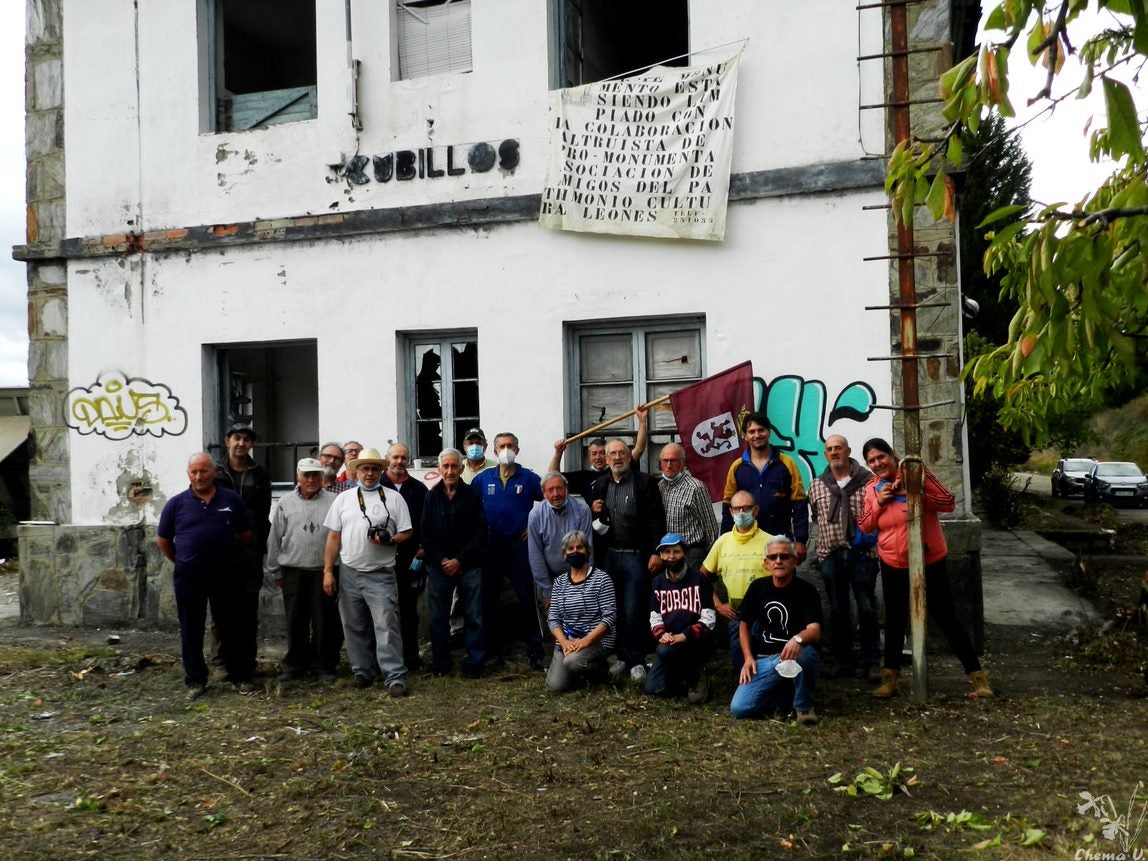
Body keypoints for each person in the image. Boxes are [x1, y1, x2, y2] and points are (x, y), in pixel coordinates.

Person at [857, 438, 992, 699]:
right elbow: (863, 525)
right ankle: (890, 679)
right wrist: (879, 504)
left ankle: (977, 677)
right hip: (892, 561)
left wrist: (913, 492)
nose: (877, 464)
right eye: (871, 461)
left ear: (892, 455)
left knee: (945, 617)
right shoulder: (872, 487)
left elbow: (947, 501)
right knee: (895, 619)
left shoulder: (917, 474)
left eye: (880, 457)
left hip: (928, 559)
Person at [157, 452, 253, 698]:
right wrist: (183, 560)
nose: (199, 476)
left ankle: (239, 676)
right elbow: (164, 539)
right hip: (190, 575)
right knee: (191, 628)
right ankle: (196, 680)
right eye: (194, 472)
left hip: (226, 573)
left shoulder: (232, 499)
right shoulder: (176, 504)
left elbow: (245, 535)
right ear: (188, 474)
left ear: (214, 472)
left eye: (203, 471)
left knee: (231, 626)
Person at [322, 448, 414, 697]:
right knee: (354, 625)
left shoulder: (394, 498)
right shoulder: (343, 499)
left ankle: (395, 676)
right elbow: (333, 536)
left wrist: (390, 539)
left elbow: (407, 532)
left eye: (374, 468)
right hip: (350, 571)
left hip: (381, 572)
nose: (369, 473)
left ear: (380, 471)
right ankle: (362, 670)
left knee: (386, 625)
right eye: (365, 468)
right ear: (356, 471)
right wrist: (328, 571)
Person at [590, 438, 666, 682]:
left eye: (621, 453)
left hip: (636, 555)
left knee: (634, 609)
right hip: (610, 555)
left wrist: (656, 551)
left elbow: (656, 518)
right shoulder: (600, 484)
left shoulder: (644, 482)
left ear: (629, 456)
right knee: (614, 609)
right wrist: (595, 510)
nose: (616, 458)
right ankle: (620, 657)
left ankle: (636, 660)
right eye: (612, 454)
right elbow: (596, 524)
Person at [807, 434, 880, 681]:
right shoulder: (817, 484)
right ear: (825, 454)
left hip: (862, 554)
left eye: (839, 448)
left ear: (848, 451)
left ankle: (872, 662)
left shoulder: (868, 481)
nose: (834, 452)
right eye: (830, 449)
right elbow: (817, 517)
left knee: (867, 608)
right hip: (831, 555)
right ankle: (844, 662)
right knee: (838, 610)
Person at [730, 536, 823, 725]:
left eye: (784, 556)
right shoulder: (758, 587)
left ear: (794, 561)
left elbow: (815, 630)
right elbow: (743, 625)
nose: (778, 561)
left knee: (806, 654)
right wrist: (748, 658)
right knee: (739, 708)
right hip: (765, 659)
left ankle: (803, 708)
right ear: (766, 563)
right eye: (773, 557)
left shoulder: (807, 591)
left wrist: (797, 639)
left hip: (793, 656)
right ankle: (783, 697)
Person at [471, 432, 545, 668]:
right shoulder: (483, 479)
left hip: (518, 547)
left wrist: (533, 529)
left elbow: (552, 501)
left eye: (510, 446)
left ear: (517, 450)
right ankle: (492, 651)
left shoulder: (529, 478)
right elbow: (469, 507)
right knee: (488, 600)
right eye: (502, 446)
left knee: (526, 599)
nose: (506, 450)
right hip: (491, 547)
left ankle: (535, 651)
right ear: (494, 452)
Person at [265, 457, 340, 682]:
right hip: (293, 571)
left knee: (323, 621)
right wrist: (275, 570)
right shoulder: (285, 503)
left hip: (323, 571)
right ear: (298, 476)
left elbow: (340, 536)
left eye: (315, 475)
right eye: (306, 475)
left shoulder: (335, 501)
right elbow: (274, 538)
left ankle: (322, 666)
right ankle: (295, 665)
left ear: (322, 477)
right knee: (295, 620)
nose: (311, 479)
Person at [420, 448, 488, 677]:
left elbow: (480, 532)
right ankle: (441, 663)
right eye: (445, 466)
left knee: (474, 617)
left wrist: (459, 560)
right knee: (438, 618)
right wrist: (442, 560)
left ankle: (475, 663)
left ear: (461, 469)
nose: (450, 471)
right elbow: (425, 534)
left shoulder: (472, 495)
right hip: (439, 567)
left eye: (454, 466)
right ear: (439, 469)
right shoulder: (431, 497)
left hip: (469, 565)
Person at [214, 422, 272, 684]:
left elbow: (263, 514)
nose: (241, 443)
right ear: (228, 441)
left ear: (251, 445)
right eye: (236, 438)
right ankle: (221, 662)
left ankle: (247, 663)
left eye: (246, 440)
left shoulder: (260, 475)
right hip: (221, 550)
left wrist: (260, 546)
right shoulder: (214, 473)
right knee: (219, 608)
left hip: (250, 552)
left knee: (248, 609)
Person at [720, 412, 809, 563]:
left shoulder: (787, 464)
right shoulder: (737, 467)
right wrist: (725, 540)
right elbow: (728, 506)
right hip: (746, 542)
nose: (757, 435)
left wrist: (800, 540)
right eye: (751, 432)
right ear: (746, 436)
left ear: (769, 432)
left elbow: (799, 504)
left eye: (761, 430)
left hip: (780, 540)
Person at [701, 490, 773, 672]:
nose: (741, 513)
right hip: (737, 615)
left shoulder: (771, 542)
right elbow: (701, 578)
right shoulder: (723, 542)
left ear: (755, 510)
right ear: (731, 512)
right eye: (736, 509)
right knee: (741, 664)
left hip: (766, 614)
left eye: (746, 508)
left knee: (768, 662)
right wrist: (717, 604)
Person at [645, 533, 716, 703]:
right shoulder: (657, 582)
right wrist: (662, 635)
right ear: (661, 556)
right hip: (669, 641)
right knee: (652, 689)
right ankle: (678, 675)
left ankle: (696, 676)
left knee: (664, 651)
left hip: (695, 642)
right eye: (667, 552)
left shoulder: (699, 579)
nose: (671, 556)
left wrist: (684, 636)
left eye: (676, 552)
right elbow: (654, 617)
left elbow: (709, 619)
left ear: (685, 553)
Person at [545, 530, 617, 693]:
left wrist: (585, 641)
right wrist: (564, 641)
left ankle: (601, 671)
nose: (575, 551)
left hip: (597, 640)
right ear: (564, 554)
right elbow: (553, 617)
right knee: (554, 687)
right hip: (568, 641)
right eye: (570, 549)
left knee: (572, 662)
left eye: (580, 547)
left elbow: (609, 617)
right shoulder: (559, 582)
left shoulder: (602, 579)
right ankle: (578, 674)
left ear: (587, 551)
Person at [381, 442, 429, 673]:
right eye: (395, 457)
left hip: (410, 559)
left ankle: (411, 658)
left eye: (403, 458)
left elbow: (427, 523)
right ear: (387, 459)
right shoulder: (376, 485)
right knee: (383, 611)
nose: (399, 462)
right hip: (380, 559)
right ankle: (383, 659)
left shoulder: (419, 489)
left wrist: (423, 547)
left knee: (409, 611)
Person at [548, 407, 649, 499]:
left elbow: (639, 449)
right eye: (594, 453)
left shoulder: (618, 468)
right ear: (589, 456)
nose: (598, 457)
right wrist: (558, 452)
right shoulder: (583, 477)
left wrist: (642, 422)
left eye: (602, 453)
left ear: (608, 455)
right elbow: (552, 476)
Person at [528, 471, 592, 609]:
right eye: (550, 490)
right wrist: (548, 591)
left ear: (567, 489)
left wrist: (585, 584)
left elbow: (588, 549)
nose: (556, 494)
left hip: (579, 577)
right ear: (543, 493)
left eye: (559, 488)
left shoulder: (582, 510)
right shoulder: (535, 515)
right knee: (553, 625)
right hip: (549, 579)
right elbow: (535, 555)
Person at [657, 442, 719, 570]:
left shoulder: (696, 488)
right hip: (668, 554)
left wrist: (708, 560)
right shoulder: (659, 486)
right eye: (665, 461)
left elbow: (710, 527)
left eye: (673, 461)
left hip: (691, 554)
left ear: (683, 463)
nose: (668, 465)